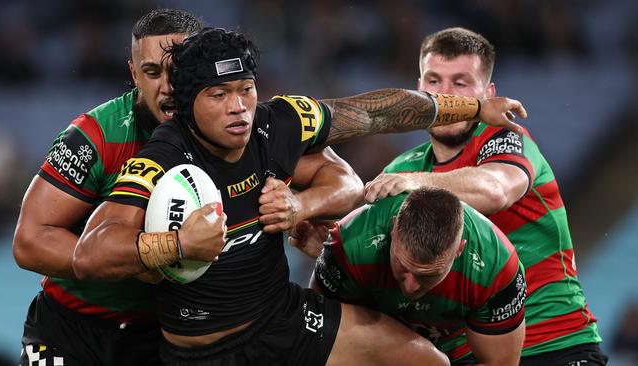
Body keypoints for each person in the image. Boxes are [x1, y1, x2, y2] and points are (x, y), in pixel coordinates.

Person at [72, 27, 527, 365]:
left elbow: (376, 113)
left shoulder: (278, 122)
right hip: (200, 350)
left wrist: (300, 205)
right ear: (189, 102)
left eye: (246, 90)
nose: (239, 107)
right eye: (219, 95)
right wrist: (178, 246)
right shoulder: (163, 157)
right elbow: (89, 255)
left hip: (283, 320)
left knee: (427, 362)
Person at [365, 27, 607, 365]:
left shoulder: (507, 139)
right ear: (418, 88)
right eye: (433, 81)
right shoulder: (403, 167)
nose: (444, 96)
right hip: (463, 356)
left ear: (487, 93)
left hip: (554, 346)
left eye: (460, 83)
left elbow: (495, 190)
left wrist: (415, 183)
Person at [11, 9, 205, 366]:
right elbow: (28, 242)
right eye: (152, 72)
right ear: (133, 74)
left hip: (160, 337)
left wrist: (297, 205)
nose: (168, 86)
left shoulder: (229, 126)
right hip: (68, 333)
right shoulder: (95, 135)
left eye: (178, 70)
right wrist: (130, 257)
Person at [293, 187, 527, 365]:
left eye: (429, 275)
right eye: (403, 267)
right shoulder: (352, 241)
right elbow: (318, 333)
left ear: (459, 250)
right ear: (393, 229)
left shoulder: (496, 266)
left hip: (455, 353)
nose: (412, 286)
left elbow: (499, 363)